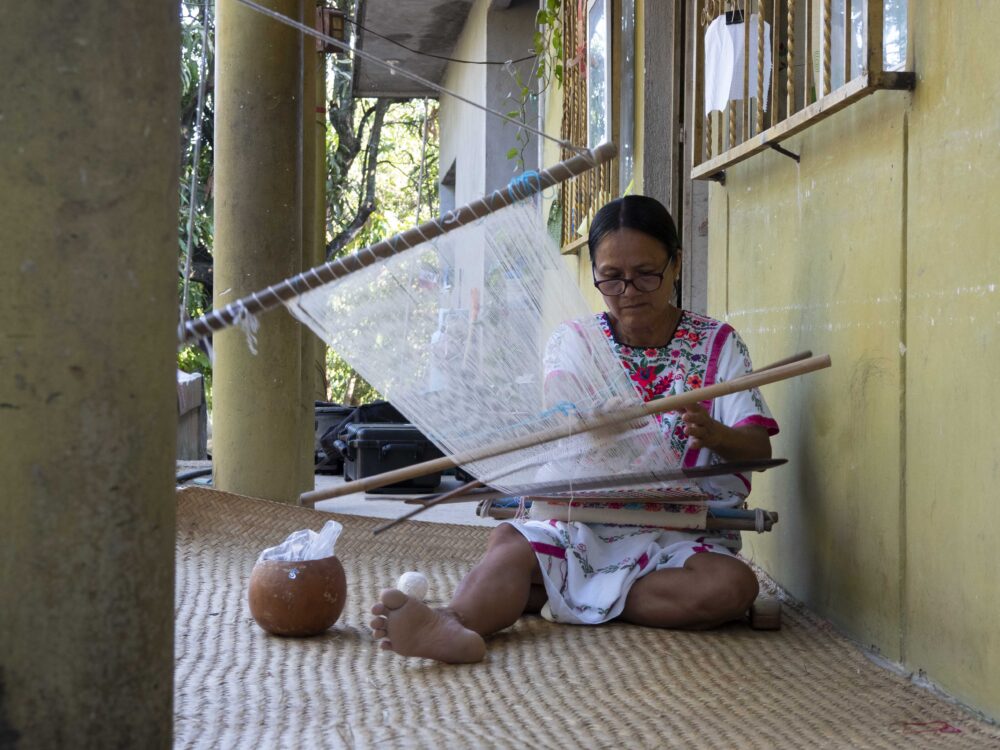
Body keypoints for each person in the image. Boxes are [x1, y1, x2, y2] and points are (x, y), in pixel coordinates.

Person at [369, 195, 779, 663]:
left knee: (732, 587)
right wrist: (588, 422)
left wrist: (715, 433)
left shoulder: (718, 344)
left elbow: (759, 450)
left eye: (647, 274)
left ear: (677, 264)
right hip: (579, 521)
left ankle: (557, 590)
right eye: (612, 278)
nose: (629, 291)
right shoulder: (575, 341)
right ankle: (452, 622)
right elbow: (560, 410)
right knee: (512, 548)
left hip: (681, 533)